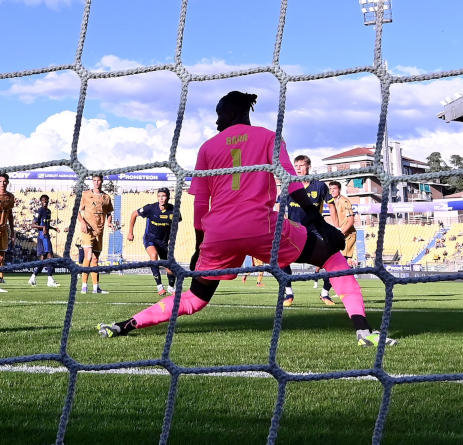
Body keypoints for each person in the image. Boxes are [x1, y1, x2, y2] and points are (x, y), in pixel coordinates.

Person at [98, 91, 393, 347]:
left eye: (219, 116)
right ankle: (363, 331)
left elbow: (201, 203)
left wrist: (201, 247)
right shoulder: (269, 137)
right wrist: (318, 221)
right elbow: (290, 182)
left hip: (218, 234)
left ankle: (125, 325)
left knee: (195, 299)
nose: (216, 123)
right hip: (261, 226)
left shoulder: (207, 148)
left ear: (233, 113)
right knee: (331, 257)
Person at [282, 155, 336, 307]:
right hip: (293, 229)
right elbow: (280, 206)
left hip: (315, 230)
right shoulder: (289, 184)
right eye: (296, 165)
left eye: (301, 165)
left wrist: (335, 225)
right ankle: (289, 293)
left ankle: (325, 293)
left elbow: (331, 205)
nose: (298, 168)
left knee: (334, 258)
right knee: (281, 258)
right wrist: (283, 221)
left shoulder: (320, 186)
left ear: (308, 167)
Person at [127, 187, 176, 296]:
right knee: (153, 255)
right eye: (159, 196)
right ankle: (160, 287)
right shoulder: (150, 208)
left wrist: (171, 238)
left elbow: (175, 225)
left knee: (170, 269)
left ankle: (171, 287)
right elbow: (134, 214)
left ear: (168, 197)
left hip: (163, 242)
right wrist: (130, 232)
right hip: (150, 239)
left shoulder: (174, 210)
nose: (161, 199)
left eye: (163, 196)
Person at [77, 175, 114, 295]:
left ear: (102, 181)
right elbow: (77, 211)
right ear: (92, 181)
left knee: (95, 259)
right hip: (87, 229)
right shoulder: (85, 194)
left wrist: (109, 223)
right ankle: (84, 286)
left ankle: (96, 287)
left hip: (99, 230)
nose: (96, 182)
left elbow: (109, 213)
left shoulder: (106, 197)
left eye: (98, 180)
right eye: (94, 180)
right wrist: (82, 222)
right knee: (88, 255)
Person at [28, 194, 60, 288]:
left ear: (48, 201)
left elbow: (46, 224)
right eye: (43, 200)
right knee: (50, 256)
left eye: (46, 200)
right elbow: (33, 225)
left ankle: (33, 277)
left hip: (46, 236)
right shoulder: (40, 210)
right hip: (43, 237)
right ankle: (50, 280)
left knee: (43, 259)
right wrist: (43, 227)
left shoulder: (48, 211)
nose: (45, 201)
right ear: (40, 201)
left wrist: (53, 228)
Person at [327, 181, 357, 268]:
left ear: (339, 190)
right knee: (336, 260)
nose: (332, 191)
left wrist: (341, 233)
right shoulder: (332, 202)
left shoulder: (345, 202)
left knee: (341, 261)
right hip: (340, 234)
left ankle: (347, 279)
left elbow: (351, 221)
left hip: (348, 235)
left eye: (335, 189)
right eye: (330, 189)